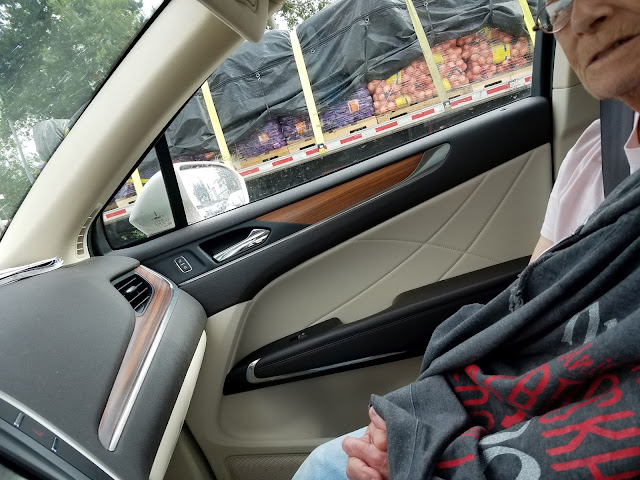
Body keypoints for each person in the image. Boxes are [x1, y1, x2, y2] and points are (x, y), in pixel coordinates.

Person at [293, 0, 640, 478]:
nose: (581, 16)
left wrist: (426, 460)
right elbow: (521, 324)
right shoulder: (592, 157)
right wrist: (419, 429)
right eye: (556, 3)